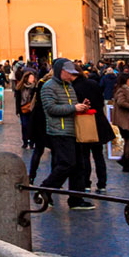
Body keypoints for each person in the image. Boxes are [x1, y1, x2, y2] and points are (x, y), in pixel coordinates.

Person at [39, 59, 94, 208]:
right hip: (59, 131)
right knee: (67, 164)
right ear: (60, 71)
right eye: (69, 73)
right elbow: (51, 109)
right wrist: (74, 108)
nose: (72, 76)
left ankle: (76, 199)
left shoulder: (69, 87)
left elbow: (70, 107)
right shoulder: (48, 87)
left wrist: (82, 107)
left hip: (73, 130)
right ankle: (44, 189)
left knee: (78, 166)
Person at [15, 68, 46, 181]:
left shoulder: (36, 87)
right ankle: (25, 141)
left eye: (33, 77)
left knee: (31, 126)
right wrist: (17, 110)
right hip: (23, 109)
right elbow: (17, 100)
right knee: (24, 125)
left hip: (32, 109)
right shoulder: (20, 87)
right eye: (31, 77)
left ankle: (31, 141)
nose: (33, 79)